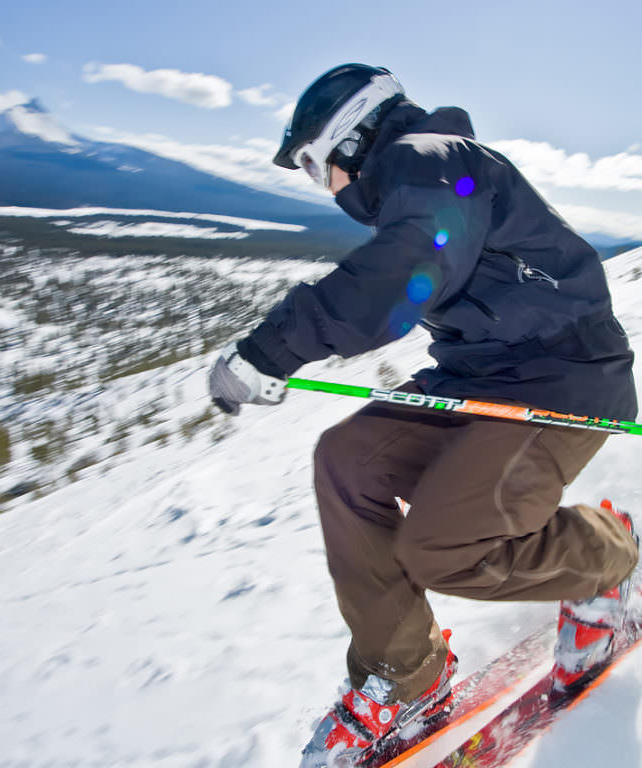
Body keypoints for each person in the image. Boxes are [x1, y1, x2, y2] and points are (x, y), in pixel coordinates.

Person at [207, 63, 639, 767]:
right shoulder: (424, 174)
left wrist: (272, 348)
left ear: (352, 141)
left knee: (441, 548)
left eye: (320, 168)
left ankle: (611, 561)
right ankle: (405, 676)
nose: (328, 188)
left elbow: (402, 274)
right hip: (480, 377)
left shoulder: (433, 160)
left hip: (563, 382)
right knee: (347, 462)